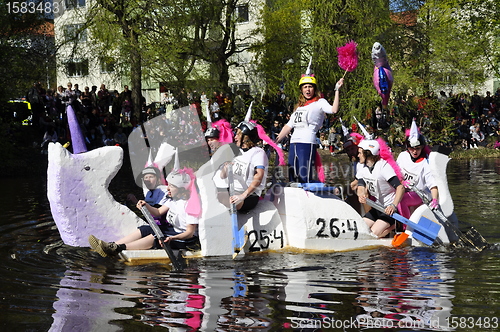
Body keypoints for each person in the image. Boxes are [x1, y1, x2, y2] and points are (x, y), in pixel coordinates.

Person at [88, 168, 200, 257]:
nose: (168, 188)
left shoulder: (190, 205)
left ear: (181, 189)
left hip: (186, 240)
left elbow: (190, 233)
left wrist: (172, 239)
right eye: (168, 185)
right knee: (146, 228)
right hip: (173, 231)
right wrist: (146, 205)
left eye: (171, 186)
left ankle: (117, 248)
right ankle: (111, 245)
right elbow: (157, 212)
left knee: (157, 236)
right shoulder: (174, 200)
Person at [275, 68, 344, 183]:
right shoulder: (299, 107)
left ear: (314, 89)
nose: (308, 89)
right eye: (305, 87)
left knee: (304, 175)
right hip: (294, 142)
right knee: (292, 176)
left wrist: (337, 90)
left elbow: (334, 109)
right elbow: (288, 126)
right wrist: (275, 141)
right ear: (301, 90)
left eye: (310, 86)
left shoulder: (320, 102)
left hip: (306, 142)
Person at [356, 139, 405, 238]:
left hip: (389, 210)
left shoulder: (383, 167)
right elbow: (360, 185)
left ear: (368, 153)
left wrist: (393, 206)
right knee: (360, 230)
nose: (358, 155)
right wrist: (361, 194)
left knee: (372, 235)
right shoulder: (362, 167)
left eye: (360, 153)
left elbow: (400, 188)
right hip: (377, 207)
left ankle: (396, 224)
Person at [219, 121, 271, 212]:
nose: (235, 137)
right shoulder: (236, 151)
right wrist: (225, 168)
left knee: (225, 199)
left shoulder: (258, 153)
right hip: (232, 190)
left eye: (238, 135)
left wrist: (242, 196)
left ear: (245, 137)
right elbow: (222, 176)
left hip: (249, 195)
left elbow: (259, 175)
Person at [396, 128, 439, 219]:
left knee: (401, 199)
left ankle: (407, 227)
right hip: (404, 190)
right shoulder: (402, 156)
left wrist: (435, 199)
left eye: (418, 148)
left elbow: (432, 185)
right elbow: (396, 173)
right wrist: (401, 181)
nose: (415, 152)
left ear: (422, 148)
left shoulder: (426, 163)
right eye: (412, 148)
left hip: (420, 194)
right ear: (408, 148)